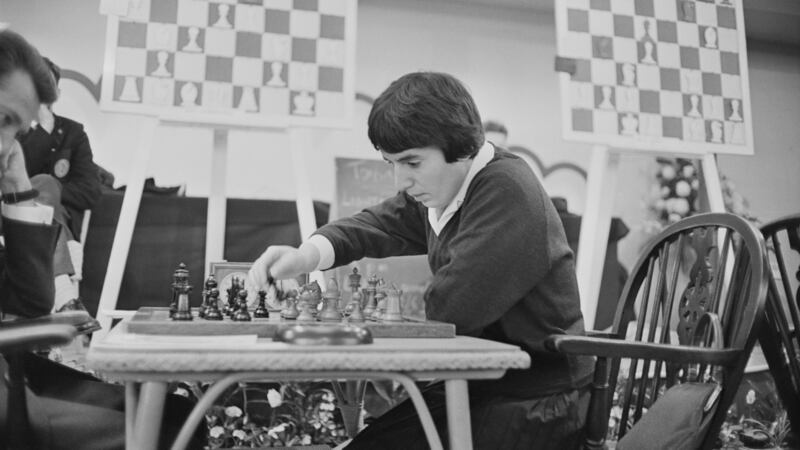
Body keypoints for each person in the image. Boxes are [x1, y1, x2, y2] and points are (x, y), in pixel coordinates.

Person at [248, 71, 595, 449]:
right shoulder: (447, 189)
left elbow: (451, 310)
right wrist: (303, 256)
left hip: (538, 401)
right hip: (482, 384)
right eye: (391, 163)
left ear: (461, 146)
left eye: (412, 163)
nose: (401, 181)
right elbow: (375, 225)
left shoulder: (506, 190)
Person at [0, 28, 203, 450]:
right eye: (4, 120)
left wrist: (18, 185)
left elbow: (30, 302)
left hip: (16, 376)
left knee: (180, 413)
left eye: (16, 131)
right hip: (11, 394)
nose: (6, 145)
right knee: (168, 427)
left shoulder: (60, 139)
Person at [18, 56, 102, 312]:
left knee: (46, 185)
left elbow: (90, 192)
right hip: (13, 216)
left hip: (56, 220)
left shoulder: (73, 133)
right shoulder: (9, 130)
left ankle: (62, 289)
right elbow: (14, 179)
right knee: (43, 184)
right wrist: (42, 130)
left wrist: (49, 191)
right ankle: (64, 292)